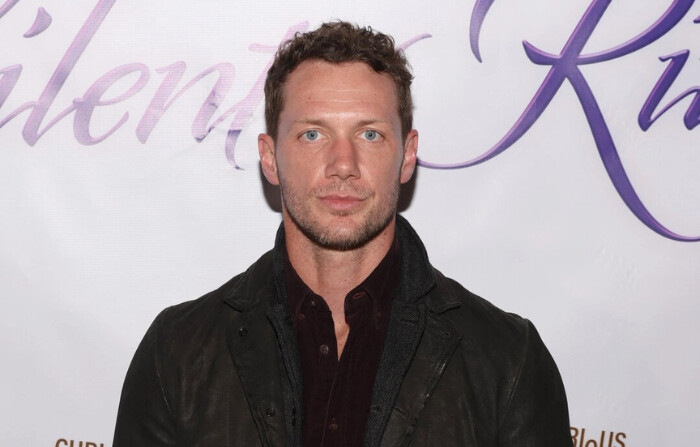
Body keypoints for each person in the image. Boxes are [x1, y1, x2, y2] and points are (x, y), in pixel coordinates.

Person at [113, 21, 573, 447]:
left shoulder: (508, 362)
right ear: (270, 158)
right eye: (313, 135)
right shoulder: (176, 353)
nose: (344, 165)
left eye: (370, 135)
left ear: (408, 155)